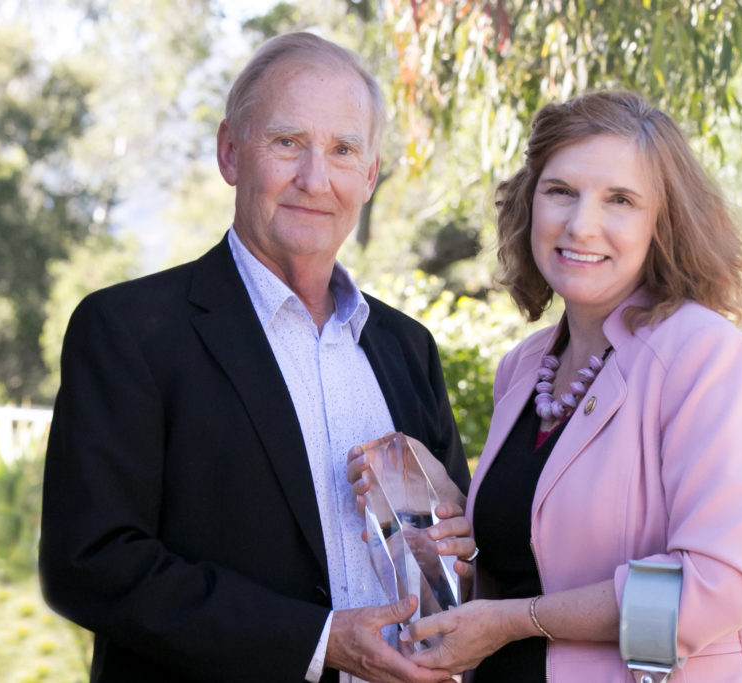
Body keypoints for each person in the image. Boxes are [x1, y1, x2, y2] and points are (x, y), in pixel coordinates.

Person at [38, 32, 471, 683]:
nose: (314, 179)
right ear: (230, 152)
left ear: (371, 176)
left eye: (343, 150)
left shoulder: (408, 347)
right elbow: (91, 562)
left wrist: (452, 549)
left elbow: (451, 556)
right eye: (287, 142)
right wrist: (318, 641)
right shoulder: (129, 330)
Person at [393, 89, 742, 681]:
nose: (581, 225)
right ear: (530, 206)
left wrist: (518, 620)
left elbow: (715, 586)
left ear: (664, 223)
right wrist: (451, 531)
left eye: (620, 199)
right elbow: (527, 565)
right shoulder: (523, 369)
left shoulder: (701, 353)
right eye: (561, 192)